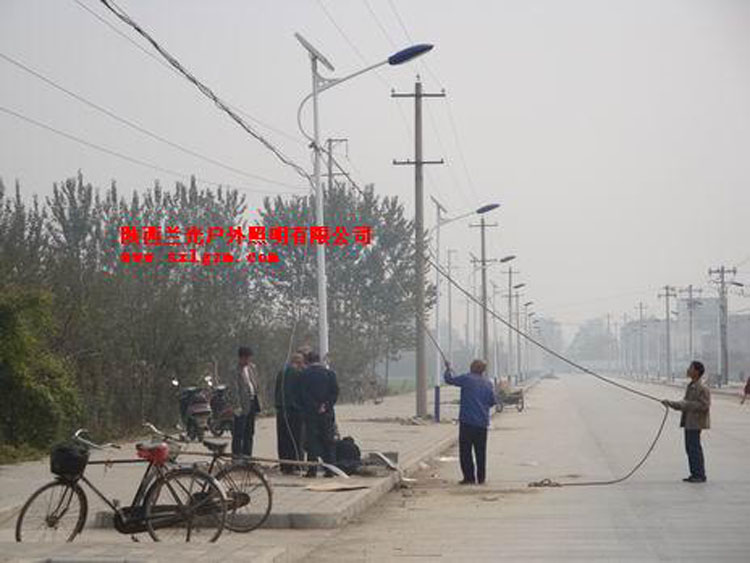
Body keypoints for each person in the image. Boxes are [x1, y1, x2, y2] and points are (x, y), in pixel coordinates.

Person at [444, 359, 497, 485]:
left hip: (467, 422)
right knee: (480, 451)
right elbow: (492, 402)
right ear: (483, 370)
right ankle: (481, 478)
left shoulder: (466, 379)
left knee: (466, 451)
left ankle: (469, 477)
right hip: (482, 423)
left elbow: (450, 380)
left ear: (472, 367)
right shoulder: (488, 383)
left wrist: (448, 368)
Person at [661, 360, 711, 483]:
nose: (688, 370)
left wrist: (687, 405)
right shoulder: (691, 386)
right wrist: (670, 403)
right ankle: (695, 473)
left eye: (691, 368)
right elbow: (684, 404)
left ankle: (699, 475)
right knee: (690, 448)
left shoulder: (702, 388)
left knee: (694, 448)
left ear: (697, 372)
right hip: (689, 422)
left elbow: (704, 405)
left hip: (696, 423)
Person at [299, 350, 339, 478]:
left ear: (308, 361)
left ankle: (312, 470)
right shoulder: (330, 374)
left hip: (311, 413)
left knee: (312, 441)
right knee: (328, 440)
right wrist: (325, 405)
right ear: (319, 360)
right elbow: (335, 392)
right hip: (327, 413)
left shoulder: (304, 375)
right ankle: (330, 469)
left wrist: (315, 406)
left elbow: (303, 394)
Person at [275, 353, 305, 474]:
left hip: (281, 409)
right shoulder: (299, 374)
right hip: (295, 410)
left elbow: (277, 390)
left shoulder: (281, 373)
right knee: (296, 439)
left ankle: (284, 466)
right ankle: (297, 465)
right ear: (299, 362)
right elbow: (301, 393)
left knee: (283, 439)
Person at [229, 346, 261, 458]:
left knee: (249, 432)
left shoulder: (252, 368)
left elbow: (256, 383)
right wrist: (237, 405)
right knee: (239, 432)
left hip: (252, 402)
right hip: (241, 405)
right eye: (246, 358)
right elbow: (234, 389)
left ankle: (247, 456)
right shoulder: (235, 370)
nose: (248, 360)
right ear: (241, 358)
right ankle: (237, 456)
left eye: (249, 358)